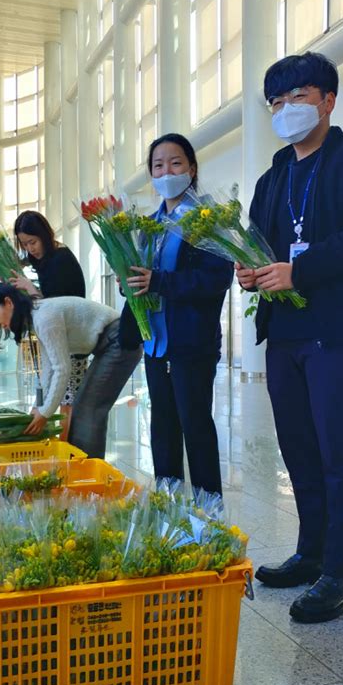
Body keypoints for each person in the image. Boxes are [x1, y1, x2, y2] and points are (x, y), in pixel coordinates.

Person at [235, 52, 343, 623]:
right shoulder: (274, 176)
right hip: (285, 333)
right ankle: (312, 551)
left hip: (338, 330)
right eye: (276, 101)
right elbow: (254, 240)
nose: (286, 109)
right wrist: (246, 267)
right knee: (297, 449)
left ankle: (341, 573)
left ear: (327, 100)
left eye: (298, 97)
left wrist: (302, 269)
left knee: (341, 453)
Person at [123, 133, 234, 495]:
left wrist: (161, 282)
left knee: (195, 423)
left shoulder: (206, 220)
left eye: (175, 163)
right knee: (163, 424)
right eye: (158, 165)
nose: (166, 171)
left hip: (191, 343)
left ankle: (208, 508)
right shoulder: (151, 226)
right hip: (156, 344)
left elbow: (216, 278)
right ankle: (168, 501)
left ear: (191, 168)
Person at [0, 283, 143, 459]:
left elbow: (62, 368)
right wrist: (38, 406)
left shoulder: (44, 318)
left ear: (8, 303)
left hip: (119, 341)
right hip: (108, 343)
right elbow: (48, 368)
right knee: (83, 406)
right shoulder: (35, 317)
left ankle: (86, 471)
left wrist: (45, 412)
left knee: (88, 409)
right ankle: (78, 465)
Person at [10, 209, 87, 420]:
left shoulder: (60, 260)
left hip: (72, 337)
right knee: (60, 394)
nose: (30, 249)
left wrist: (30, 288)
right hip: (63, 335)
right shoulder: (45, 256)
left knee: (68, 399)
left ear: (44, 235)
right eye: (24, 244)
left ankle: (69, 445)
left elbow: (56, 306)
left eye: (32, 242)